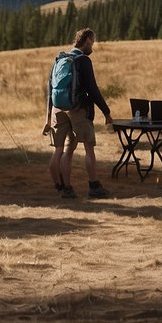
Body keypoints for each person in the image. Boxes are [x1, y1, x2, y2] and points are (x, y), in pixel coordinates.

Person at [44, 28, 113, 199]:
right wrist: (107, 112)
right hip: (78, 110)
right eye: (93, 42)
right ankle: (94, 186)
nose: (93, 46)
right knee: (89, 147)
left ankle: (64, 188)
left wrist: (47, 117)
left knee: (62, 150)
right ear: (87, 40)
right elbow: (92, 89)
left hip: (58, 109)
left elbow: (50, 88)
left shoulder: (60, 59)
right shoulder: (83, 60)